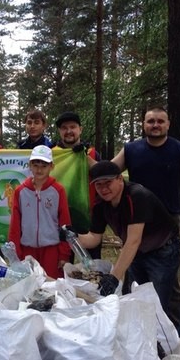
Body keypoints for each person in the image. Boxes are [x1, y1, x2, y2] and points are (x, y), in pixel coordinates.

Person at [111, 106, 180, 339]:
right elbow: (106, 171)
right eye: (150, 121)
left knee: (167, 289)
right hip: (136, 223)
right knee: (135, 285)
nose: (155, 125)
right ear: (143, 124)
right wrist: (82, 155)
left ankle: (176, 337)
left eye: (160, 121)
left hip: (167, 228)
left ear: (168, 124)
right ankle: (138, 337)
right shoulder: (131, 150)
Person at [68, 161, 180, 321]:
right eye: (99, 185)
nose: (104, 189)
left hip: (162, 251)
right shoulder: (100, 204)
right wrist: (72, 236)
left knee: (159, 304)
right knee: (133, 300)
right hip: (136, 253)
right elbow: (94, 238)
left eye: (108, 183)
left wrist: (114, 277)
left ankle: (172, 335)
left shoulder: (137, 197)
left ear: (120, 179)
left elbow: (134, 240)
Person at [8, 145, 71, 279]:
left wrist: (64, 254)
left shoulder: (58, 190)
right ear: (29, 165)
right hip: (27, 249)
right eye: (35, 165)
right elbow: (15, 224)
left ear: (51, 167)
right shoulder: (20, 191)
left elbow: (65, 223)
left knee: (51, 285)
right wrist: (15, 253)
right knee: (29, 285)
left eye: (44, 166)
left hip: (51, 249)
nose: (39, 169)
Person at [53, 111, 102, 259]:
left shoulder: (91, 153)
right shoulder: (52, 154)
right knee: (63, 262)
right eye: (64, 128)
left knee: (91, 264)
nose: (69, 131)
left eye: (72, 127)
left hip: (89, 217)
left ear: (80, 129)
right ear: (59, 131)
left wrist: (84, 156)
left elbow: (102, 174)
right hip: (61, 217)